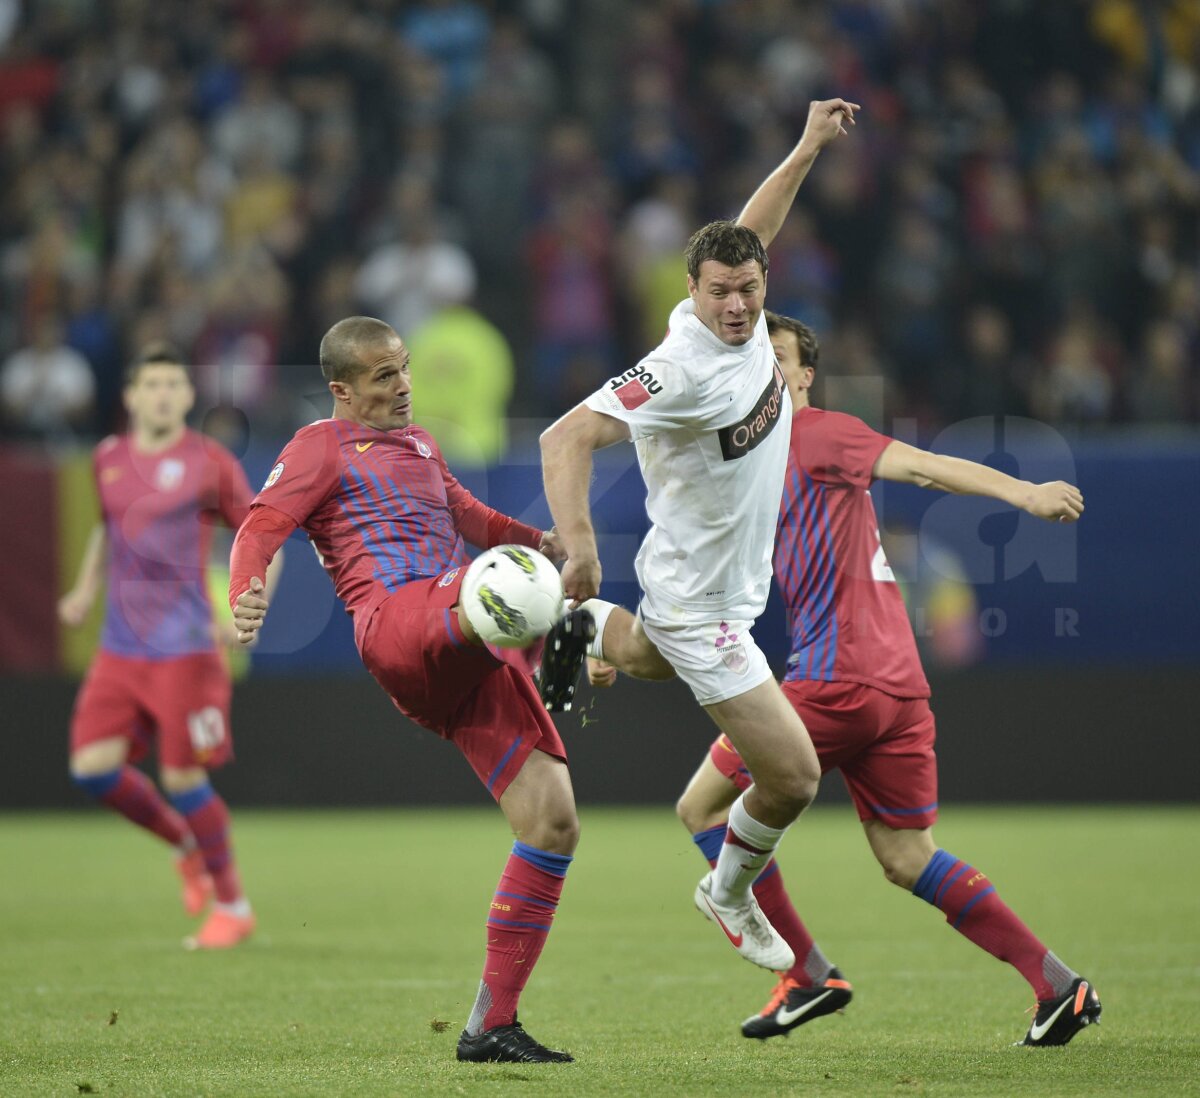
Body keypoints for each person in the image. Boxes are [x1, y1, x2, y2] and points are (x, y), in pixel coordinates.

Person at [612, 311, 1098, 1047]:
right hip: (898, 686)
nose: (761, 368)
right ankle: (1058, 986)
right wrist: (623, 644)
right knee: (907, 857)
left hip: (838, 678)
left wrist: (1024, 495)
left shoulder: (814, 433)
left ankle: (805, 973)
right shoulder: (746, 461)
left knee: (703, 809)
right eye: (749, 354)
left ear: (805, 376)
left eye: (777, 356)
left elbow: (926, 467)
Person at [538, 98, 860, 974]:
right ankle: (725, 891)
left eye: (750, 289)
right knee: (792, 778)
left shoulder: (748, 305)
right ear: (690, 293)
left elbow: (754, 230)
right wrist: (579, 546)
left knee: (640, 654)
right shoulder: (676, 367)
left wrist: (803, 148)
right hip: (702, 605)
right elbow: (562, 438)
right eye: (718, 291)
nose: (737, 305)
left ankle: (564, 622)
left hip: (713, 585)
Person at [228, 315, 578, 1065]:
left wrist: (539, 540)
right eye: (384, 376)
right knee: (512, 593)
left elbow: (467, 515)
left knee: (552, 820)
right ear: (342, 390)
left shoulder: (421, 445)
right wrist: (247, 589)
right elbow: (260, 526)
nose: (405, 386)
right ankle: (574, 644)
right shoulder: (318, 446)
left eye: (406, 368)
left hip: (456, 643)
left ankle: (491, 1026)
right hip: (398, 622)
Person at [59, 342, 277, 950]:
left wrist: (247, 608)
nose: (161, 394)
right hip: (118, 648)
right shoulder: (106, 458)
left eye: (171, 385)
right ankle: (186, 846)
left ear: (187, 396)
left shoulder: (209, 463)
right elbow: (108, 530)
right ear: (129, 396)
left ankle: (233, 906)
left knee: (183, 778)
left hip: (185, 646)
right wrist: (82, 590)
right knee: (91, 769)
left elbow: (262, 534)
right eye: (149, 384)